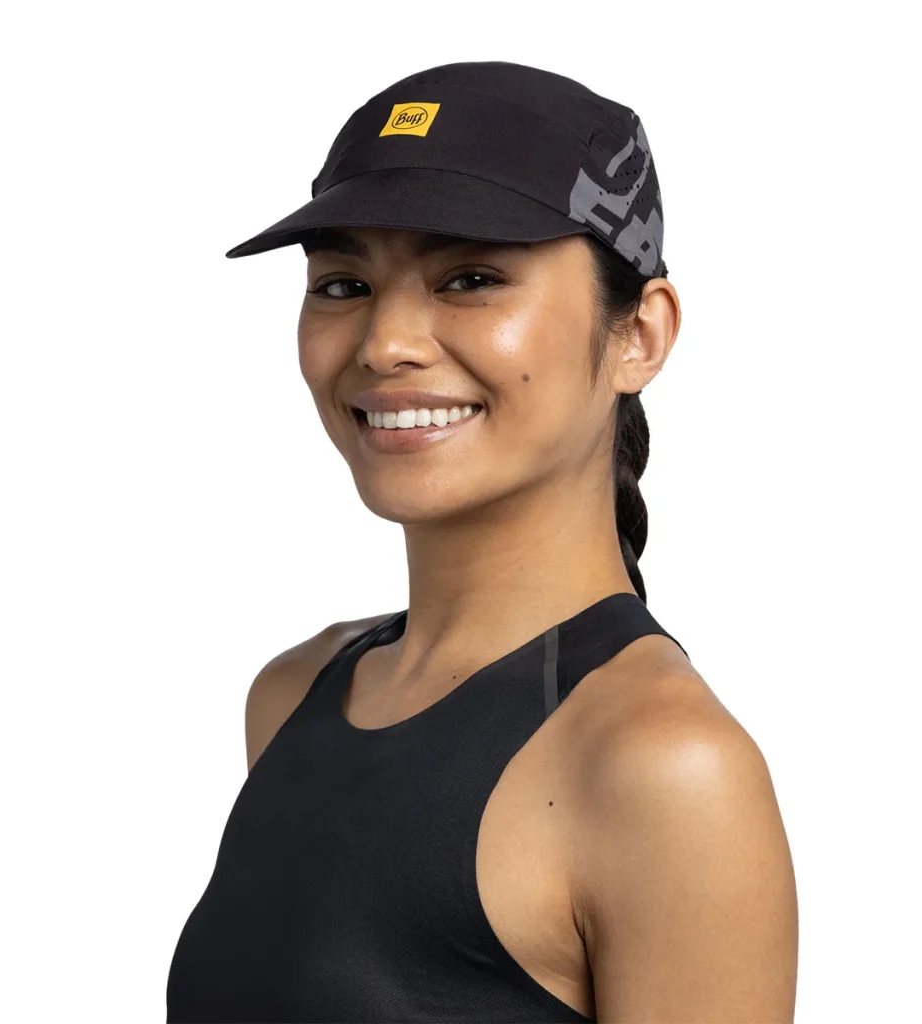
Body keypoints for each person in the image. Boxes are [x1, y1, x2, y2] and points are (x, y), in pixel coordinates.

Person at [166, 61, 798, 1023]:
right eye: (343, 283)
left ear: (639, 335)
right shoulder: (292, 696)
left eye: (470, 279)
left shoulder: (664, 770)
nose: (385, 342)